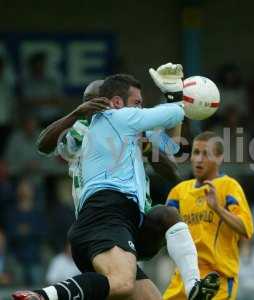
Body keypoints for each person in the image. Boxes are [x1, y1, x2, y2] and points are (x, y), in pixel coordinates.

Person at [13, 66, 218, 300]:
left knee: (165, 217)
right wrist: (76, 115)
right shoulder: (85, 129)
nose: (97, 106)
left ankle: (194, 286)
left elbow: (173, 162)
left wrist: (148, 146)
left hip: (128, 219)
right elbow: (44, 145)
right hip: (102, 219)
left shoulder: (132, 127)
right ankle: (45, 296)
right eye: (91, 101)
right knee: (120, 284)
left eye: (99, 100)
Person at [164, 131, 254, 300]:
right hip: (182, 279)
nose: (199, 159)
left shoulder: (229, 186)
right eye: (196, 153)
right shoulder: (178, 192)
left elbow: (246, 229)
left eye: (206, 154)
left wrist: (218, 208)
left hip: (216, 281)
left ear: (219, 158)